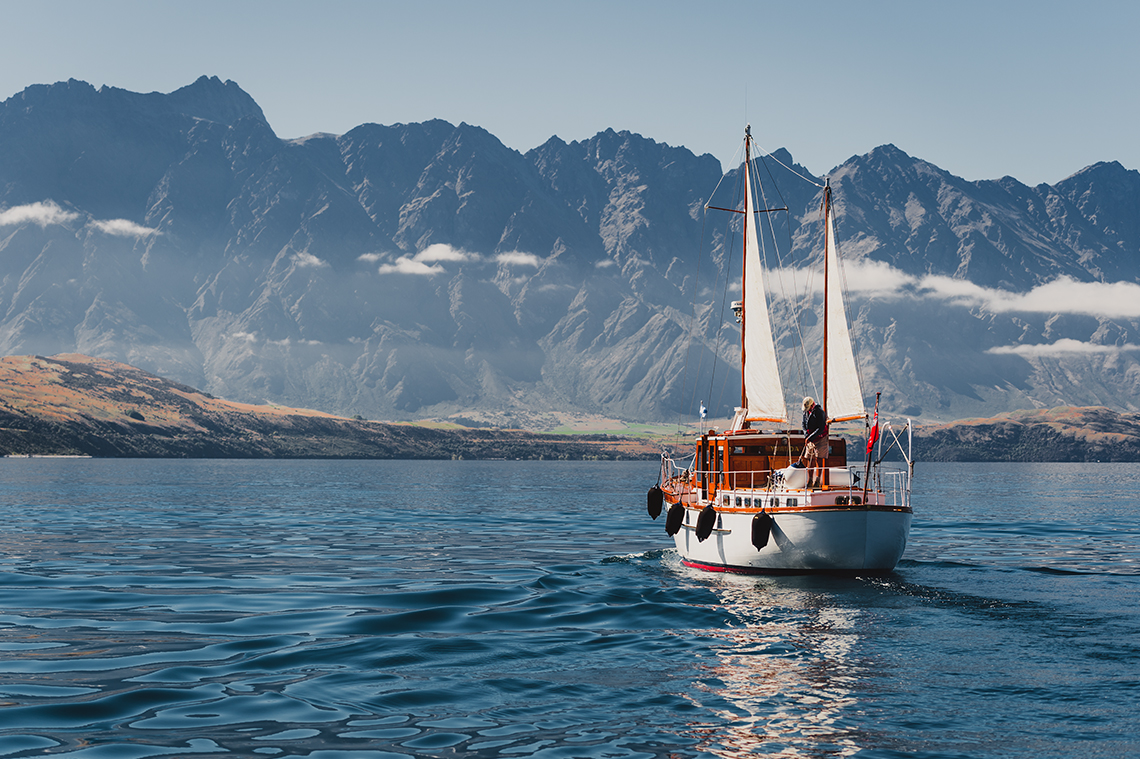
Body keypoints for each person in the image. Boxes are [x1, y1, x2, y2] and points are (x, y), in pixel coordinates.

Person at [800, 396, 829, 489]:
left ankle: (817, 480)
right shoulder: (805, 412)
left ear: (812, 405)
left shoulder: (820, 412)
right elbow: (803, 424)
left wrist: (810, 437)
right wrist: (806, 436)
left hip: (821, 438)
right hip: (810, 438)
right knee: (809, 459)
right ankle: (810, 480)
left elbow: (820, 428)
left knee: (818, 458)